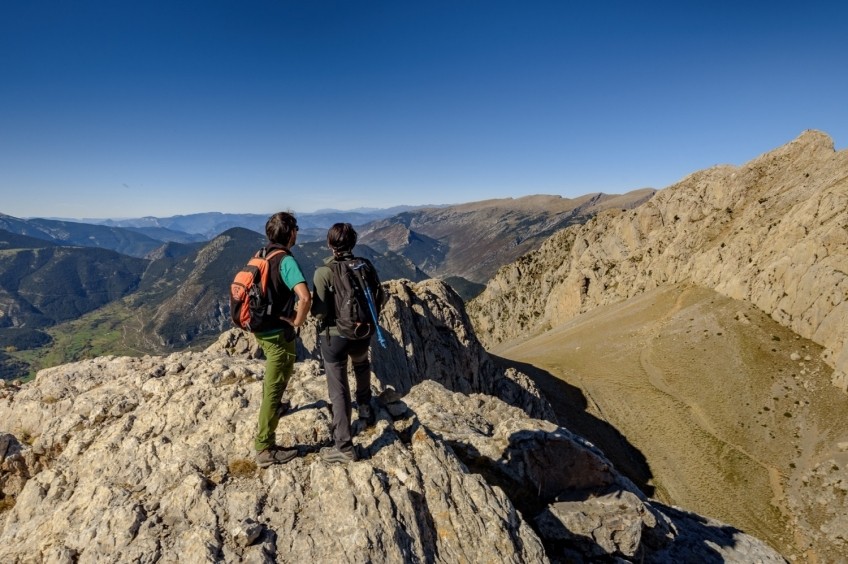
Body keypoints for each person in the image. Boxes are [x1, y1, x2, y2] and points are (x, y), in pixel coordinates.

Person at [311, 222, 379, 463]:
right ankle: (365, 407)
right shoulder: (365, 265)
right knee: (361, 365)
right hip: (362, 332)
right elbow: (379, 296)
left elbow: (318, 313)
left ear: (330, 245)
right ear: (354, 242)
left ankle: (344, 445)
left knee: (339, 390)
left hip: (334, 339)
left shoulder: (324, 272)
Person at [253, 211, 311, 468]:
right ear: (291, 233)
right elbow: (305, 297)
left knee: (276, 376)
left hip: (260, 329)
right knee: (275, 385)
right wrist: (298, 321)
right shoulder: (285, 261)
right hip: (277, 332)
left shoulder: (260, 255)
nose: (297, 232)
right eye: (296, 228)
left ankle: (276, 406)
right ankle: (265, 447)